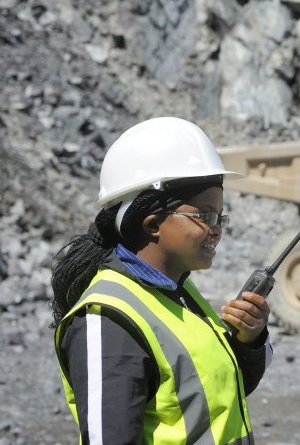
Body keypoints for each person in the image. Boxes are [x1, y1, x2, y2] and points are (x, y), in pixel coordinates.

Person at [51, 117, 272, 444]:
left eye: (221, 216)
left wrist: (248, 340)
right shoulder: (107, 319)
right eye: (205, 216)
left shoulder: (180, 292)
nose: (218, 229)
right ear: (152, 223)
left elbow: (221, 393)